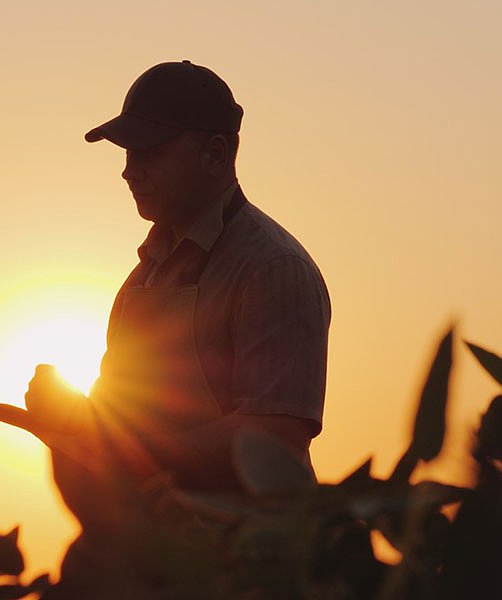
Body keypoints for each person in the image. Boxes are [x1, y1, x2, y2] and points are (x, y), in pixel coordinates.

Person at [29, 61, 332, 596]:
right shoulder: (142, 278)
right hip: (151, 560)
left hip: (252, 565)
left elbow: (276, 434)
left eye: (149, 152)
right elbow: (119, 409)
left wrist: (126, 450)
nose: (129, 171)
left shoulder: (272, 269)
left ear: (216, 154)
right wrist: (69, 412)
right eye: (126, 154)